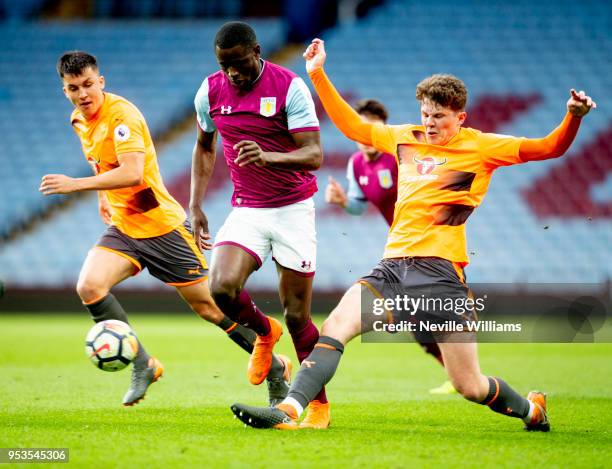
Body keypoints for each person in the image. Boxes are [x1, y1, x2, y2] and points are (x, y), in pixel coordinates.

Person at [230, 38, 596, 430]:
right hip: (392, 268)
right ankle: (289, 410)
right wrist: (317, 74)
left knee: (469, 385)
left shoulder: (483, 147)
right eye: (425, 114)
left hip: (441, 276)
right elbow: (354, 125)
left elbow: (549, 148)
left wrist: (572, 116)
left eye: (439, 116)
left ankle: (532, 410)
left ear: (461, 116)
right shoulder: (405, 138)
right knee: (337, 325)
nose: (430, 123)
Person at [40, 51, 291, 407]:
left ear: (101, 82)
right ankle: (143, 364)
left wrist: (74, 185)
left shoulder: (121, 116)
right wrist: (103, 198)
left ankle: (277, 368)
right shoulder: (79, 120)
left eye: (88, 85)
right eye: (72, 88)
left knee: (212, 309)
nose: (82, 94)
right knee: (90, 286)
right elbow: (102, 162)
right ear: (64, 90)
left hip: (163, 229)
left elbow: (132, 173)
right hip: (125, 226)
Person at [189, 22, 329, 428]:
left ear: (257, 51)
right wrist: (195, 204)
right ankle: (265, 333)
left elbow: (314, 154)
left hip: (293, 209)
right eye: (225, 65)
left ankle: (318, 404)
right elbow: (204, 145)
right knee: (220, 288)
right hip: (247, 209)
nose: (233, 73)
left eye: (239, 63)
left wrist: (268, 156)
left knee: (298, 316)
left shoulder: (289, 87)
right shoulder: (209, 91)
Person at [326, 98, 455, 395]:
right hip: (402, 243)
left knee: (419, 310)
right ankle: (457, 375)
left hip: (428, 239)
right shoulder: (356, 164)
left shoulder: (401, 153)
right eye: (362, 130)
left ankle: (395, 313)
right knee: (421, 320)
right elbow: (359, 206)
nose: (365, 138)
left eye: (372, 130)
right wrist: (343, 201)